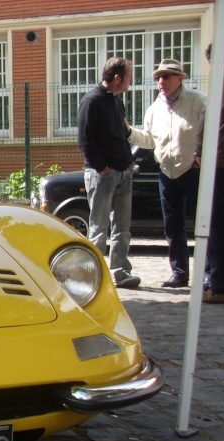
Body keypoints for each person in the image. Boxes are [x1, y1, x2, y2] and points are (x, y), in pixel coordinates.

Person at [127, 59, 206, 288]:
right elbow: (150, 141)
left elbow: (212, 132)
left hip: (193, 171)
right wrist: (130, 132)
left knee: (202, 225)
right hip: (167, 173)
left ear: (180, 78)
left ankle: (208, 273)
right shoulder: (154, 109)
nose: (161, 81)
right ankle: (179, 273)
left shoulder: (198, 101)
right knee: (172, 225)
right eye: (158, 77)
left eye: (167, 76)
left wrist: (200, 160)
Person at [77, 57, 140, 289]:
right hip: (102, 175)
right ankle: (91, 275)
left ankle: (120, 272)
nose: (131, 81)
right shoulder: (92, 101)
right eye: (129, 77)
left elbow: (122, 134)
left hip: (123, 173)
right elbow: (85, 140)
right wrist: (102, 168)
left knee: (122, 228)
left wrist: (129, 162)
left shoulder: (116, 102)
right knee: (98, 228)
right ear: (117, 78)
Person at [196, 42, 224, 304]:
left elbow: (210, 120)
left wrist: (199, 150)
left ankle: (221, 284)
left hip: (222, 161)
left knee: (217, 224)